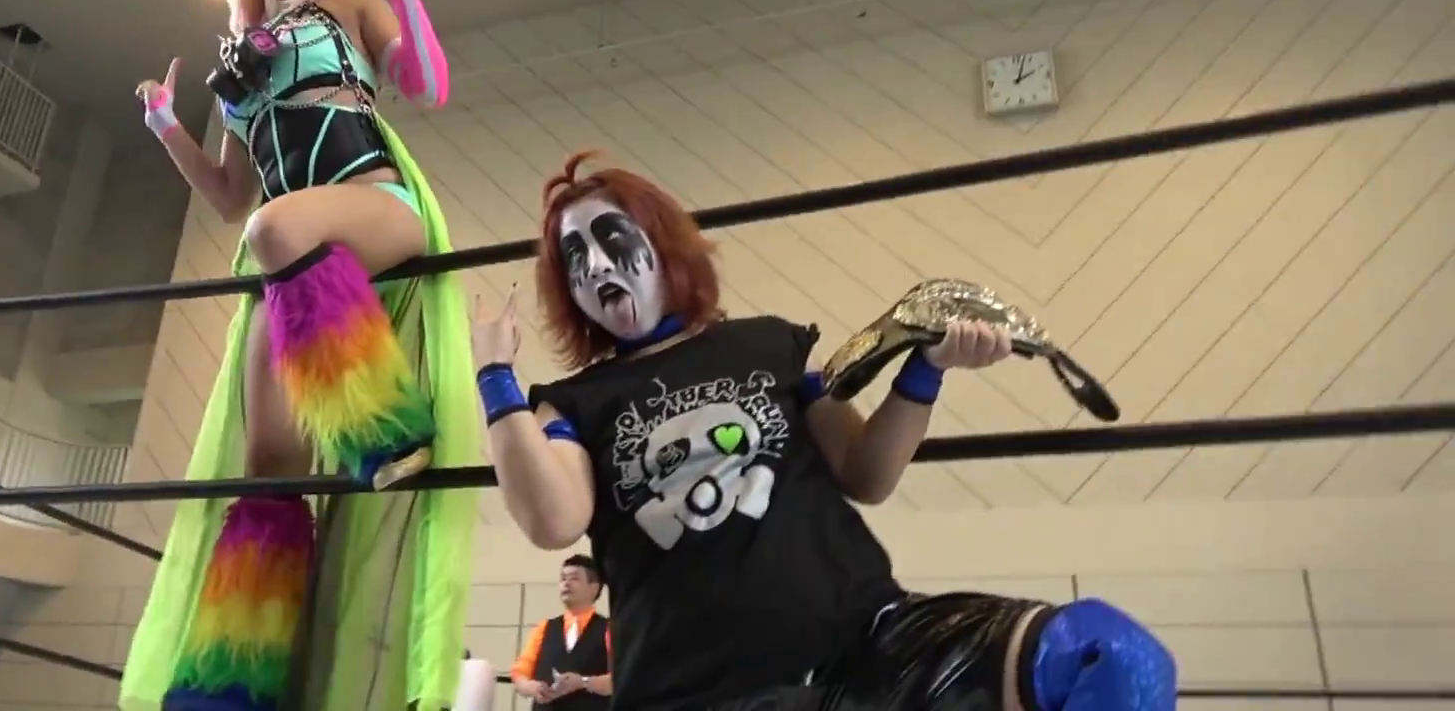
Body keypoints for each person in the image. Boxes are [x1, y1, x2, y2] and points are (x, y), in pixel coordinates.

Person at [471, 152, 1176, 711]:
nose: (595, 264)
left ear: (660, 241)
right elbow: (553, 521)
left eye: (610, 237)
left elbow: (866, 472)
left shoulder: (772, 345)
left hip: (866, 648)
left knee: (1111, 657)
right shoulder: (575, 401)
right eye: (573, 257)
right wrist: (495, 376)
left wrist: (926, 368)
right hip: (694, 692)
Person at [123, 0, 478, 711]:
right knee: (269, 472)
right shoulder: (239, 60)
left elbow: (428, 85)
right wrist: (165, 126)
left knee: (273, 228)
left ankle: (384, 430)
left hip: (374, 208)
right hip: (289, 260)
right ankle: (234, 683)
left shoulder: (349, 5)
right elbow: (228, 194)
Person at [511, 555, 612, 709]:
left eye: (574, 578)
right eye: (563, 578)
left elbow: (620, 679)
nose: (566, 583)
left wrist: (583, 682)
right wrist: (532, 687)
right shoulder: (544, 628)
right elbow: (520, 673)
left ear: (594, 587)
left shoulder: (609, 629)